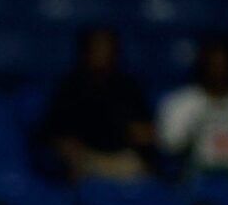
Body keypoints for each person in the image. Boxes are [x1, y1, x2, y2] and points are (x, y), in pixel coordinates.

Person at [35, 25, 154, 183]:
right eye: (97, 47)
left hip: (122, 156)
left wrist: (138, 133)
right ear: (86, 51)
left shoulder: (128, 87)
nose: (102, 53)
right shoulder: (70, 87)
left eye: (107, 47)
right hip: (86, 158)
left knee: (141, 172)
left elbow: (146, 131)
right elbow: (52, 133)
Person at [156, 34, 228, 181]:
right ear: (202, 66)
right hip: (194, 174)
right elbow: (170, 146)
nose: (218, 72)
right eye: (213, 65)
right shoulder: (179, 104)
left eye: (224, 65)